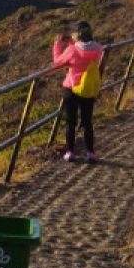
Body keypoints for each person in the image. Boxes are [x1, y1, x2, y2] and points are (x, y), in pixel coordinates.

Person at [52, 20, 104, 163]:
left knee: (71, 122)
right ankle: (90, 153)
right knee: (87, 122)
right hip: (88, 89)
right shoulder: (98, 49)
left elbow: (58, 62)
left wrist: (57, 44)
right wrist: (72, 43)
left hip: (72, 89)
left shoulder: (73, 50)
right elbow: (84, 52)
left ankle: (70, 152)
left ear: (77, 35)